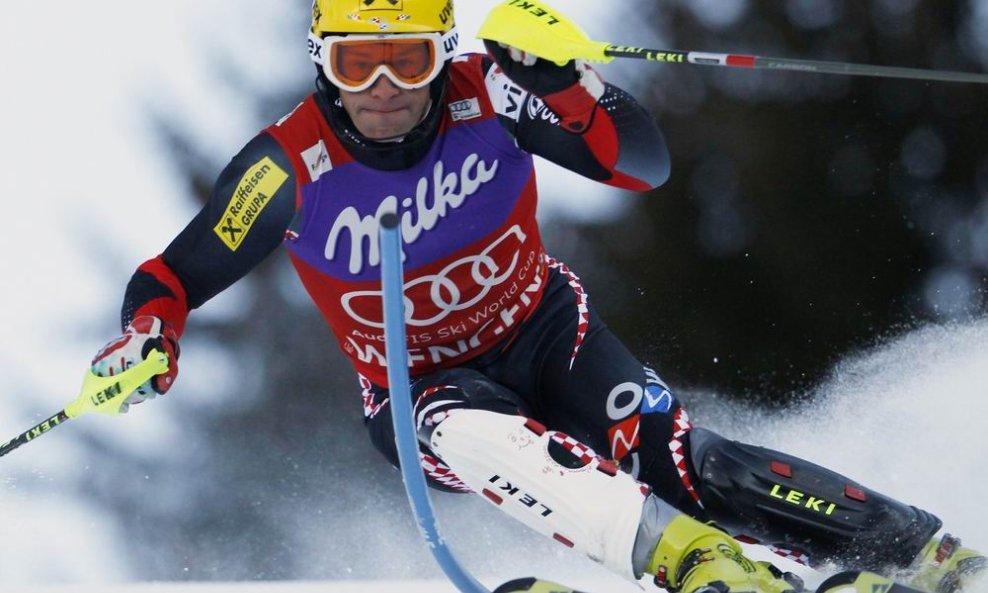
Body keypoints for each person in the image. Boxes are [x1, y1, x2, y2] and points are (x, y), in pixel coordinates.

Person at [89, 1, 984, 591]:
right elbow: (172, 276)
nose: (387, 90)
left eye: (410, 59)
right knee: (466, 427)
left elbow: (640, 163)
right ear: (323, 64)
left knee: (680, 459)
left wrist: (566, 82)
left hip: (547, 329)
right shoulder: (288, 165)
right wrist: (146, 340)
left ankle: (919, 551)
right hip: (423, 388)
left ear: (446, 53)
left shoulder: (494, 93)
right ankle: (698, 566)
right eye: (359, 64)